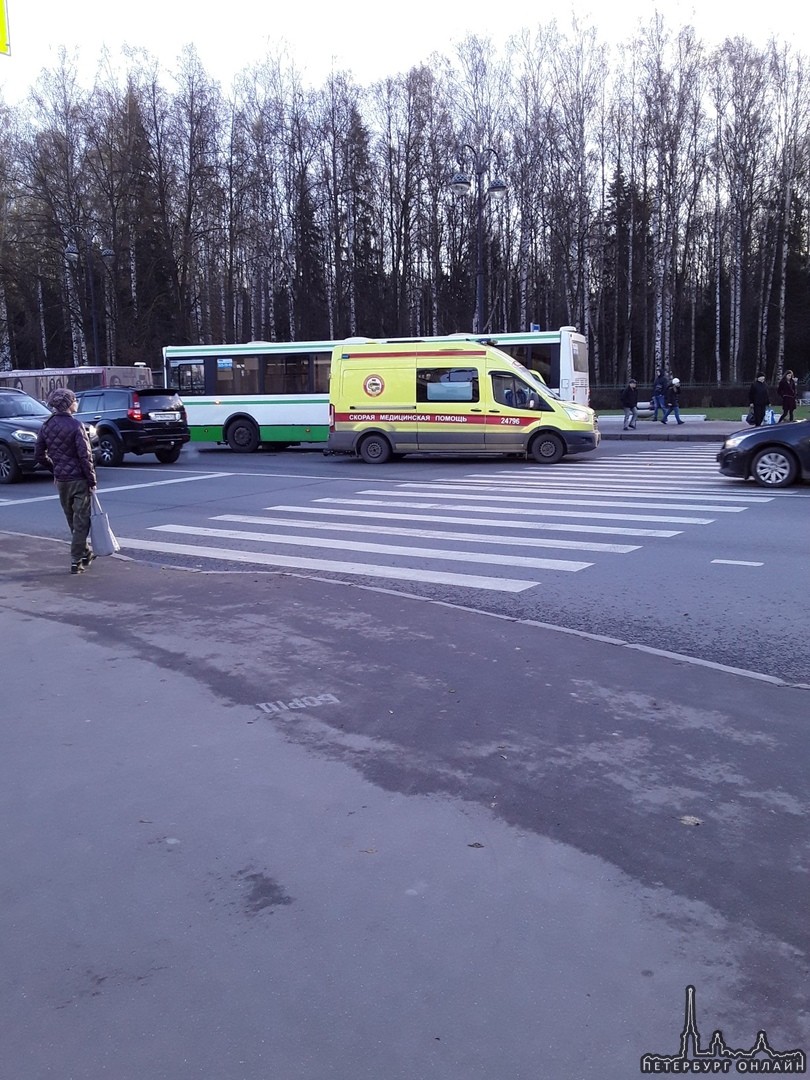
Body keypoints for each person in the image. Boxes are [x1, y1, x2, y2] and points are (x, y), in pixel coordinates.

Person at [35, 387, 98, 575]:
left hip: (62, 481)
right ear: (68, 404)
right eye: (74, 400)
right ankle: (76, 559)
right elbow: (85, 457)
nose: (77, 402)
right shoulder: (76, 425)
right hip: (78, 479)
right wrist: (92, 480)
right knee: (81, 521)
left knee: (72, 520)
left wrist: (54, 469)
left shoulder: (46, 426)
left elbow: (39, 455)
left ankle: (85, 552)